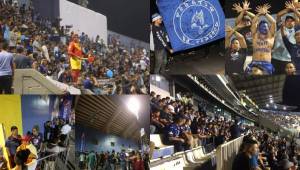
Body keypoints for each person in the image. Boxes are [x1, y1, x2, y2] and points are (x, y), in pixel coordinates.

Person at [246, 4, 276, 75]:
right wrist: (259, 14)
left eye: (265, 27)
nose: (264, 28)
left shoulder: (271, 36)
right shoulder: (255, 35)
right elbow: (253, 22)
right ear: (258, 28)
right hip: (254, 63)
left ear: (268, 28)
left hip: (266, 64)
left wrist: (265, 14)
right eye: (262, 27)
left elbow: (273, 22)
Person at [272, 2, 300, 74]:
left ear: (295, 23)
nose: (290, 22)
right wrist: (289, 9)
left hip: (288, 60)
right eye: (287, 21)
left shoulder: (296, 30)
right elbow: (278, 15)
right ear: (284, 22)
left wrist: (294, 9)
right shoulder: (280, 27)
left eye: (292, 21)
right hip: (276, 58)